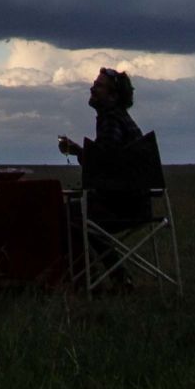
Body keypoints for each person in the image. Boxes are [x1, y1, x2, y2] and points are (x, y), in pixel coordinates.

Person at [58, 67, 150, 289]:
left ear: (113, 96)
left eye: (99, 86)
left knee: (68, 214)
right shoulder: (120, 119)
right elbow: (109, 162)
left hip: (122, 207)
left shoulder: (111, 121)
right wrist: (79, 151)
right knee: (80, 212)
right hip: (137, 203)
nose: (92, 89)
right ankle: (113, 277)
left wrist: (79, 153)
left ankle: (86, 278)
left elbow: (103, 167)